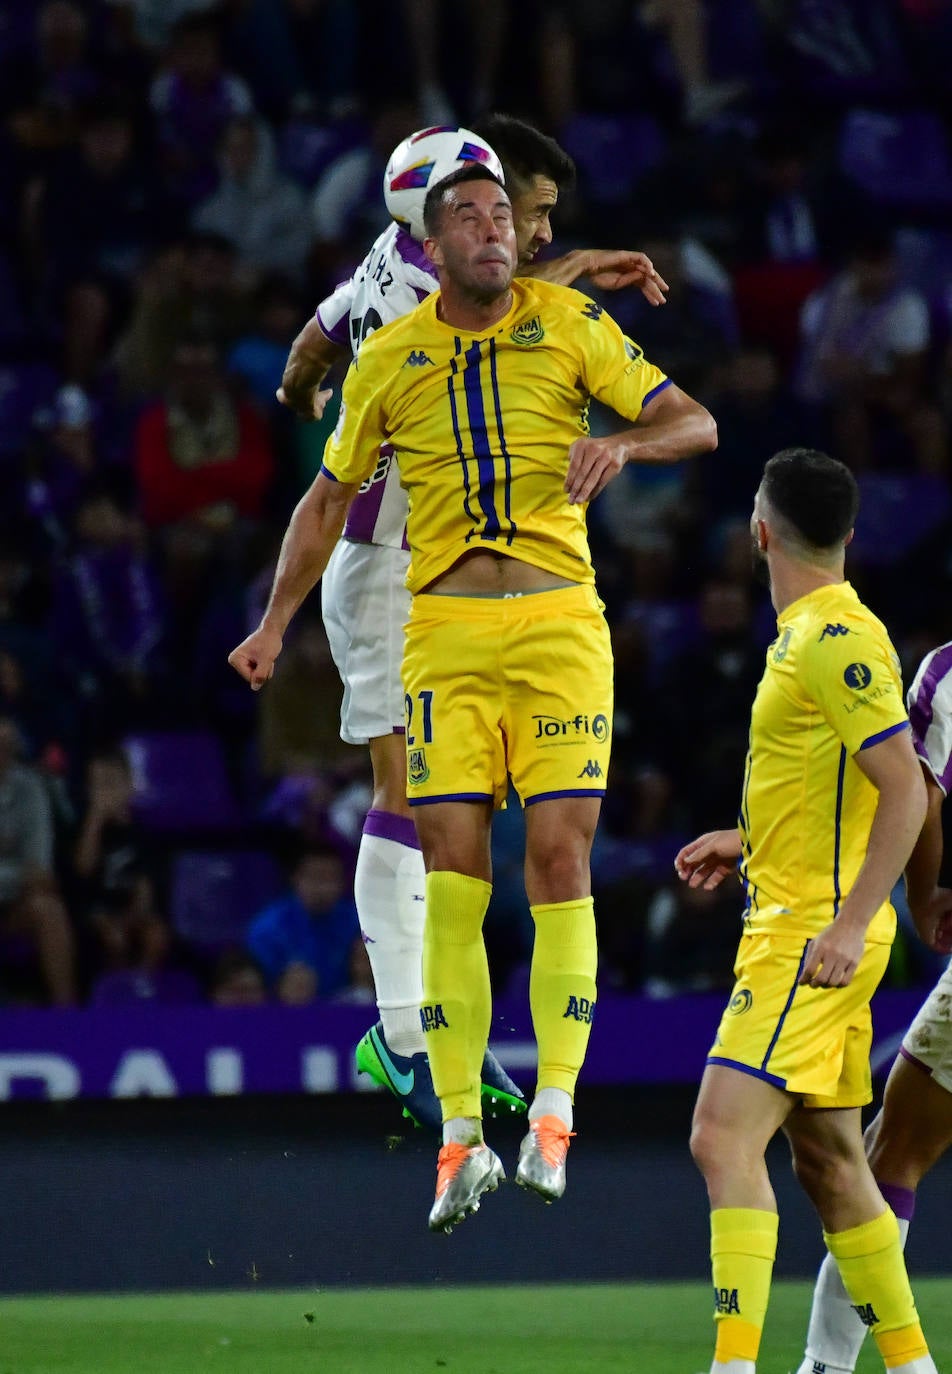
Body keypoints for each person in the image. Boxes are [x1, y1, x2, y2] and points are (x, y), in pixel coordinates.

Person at [229, 162, 716, 1232]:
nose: (501, 233)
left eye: (511, 218)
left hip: (557, 630)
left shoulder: (570, 324)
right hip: (439, 628)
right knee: (449, 862)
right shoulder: (396, 353)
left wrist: (622, 441)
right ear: (426, 246)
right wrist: (271, 623)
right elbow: (322, 497)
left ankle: (551, 1116)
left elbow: (696, 423)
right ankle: (454, 1130)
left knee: (558, 859)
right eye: (474, 218)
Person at [675, 448, 938, 1374]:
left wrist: (844, 920)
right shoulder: (812, 636)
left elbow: (903, 791)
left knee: (721, 1133)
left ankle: (733, 1367)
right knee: (830, 1160)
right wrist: (744, 836)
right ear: (848, 536)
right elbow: (836, 789)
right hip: (801, 914)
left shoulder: (835, 640)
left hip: (810, 934)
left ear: (759, 529)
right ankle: (910, 1368)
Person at [794, 641, 952, 1374]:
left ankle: (826, 1366)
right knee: (893, 1145)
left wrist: (922, 897)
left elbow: (913, 792)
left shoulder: (946, 675)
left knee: (893, 1154)